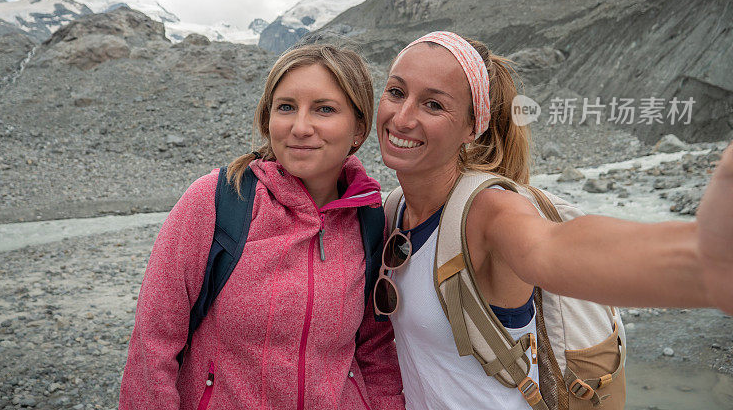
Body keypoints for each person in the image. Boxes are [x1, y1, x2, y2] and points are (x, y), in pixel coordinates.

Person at [372, 30, 733, 410]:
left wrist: (702, 263)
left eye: (432, 105)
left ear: (471, 128)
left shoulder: (487, 210)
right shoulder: (395, 208)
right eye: (396, 92)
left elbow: (552, 248)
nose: (403, 116)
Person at [119, 43, 405, 410]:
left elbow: (374, 351)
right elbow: (152, 343)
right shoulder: (218, 200)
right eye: (286, 107)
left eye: (324, 109)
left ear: (358, 129)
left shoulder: (369, 220)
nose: (300, 127)